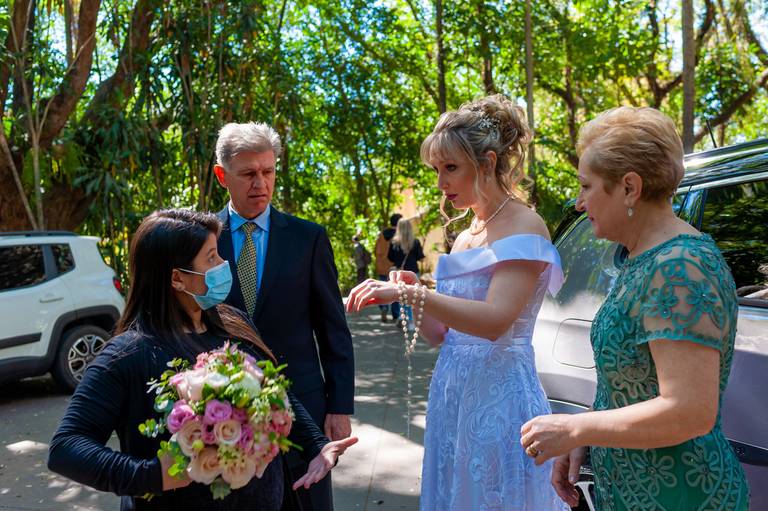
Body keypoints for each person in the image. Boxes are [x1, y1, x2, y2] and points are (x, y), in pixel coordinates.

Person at [47, 209, 357, 510]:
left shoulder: (233, 321)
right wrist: (153, 475)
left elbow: (275, 391)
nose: (224, 265)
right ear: (177, 278)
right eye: (212, 258)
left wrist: (317, 443)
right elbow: (66, 448)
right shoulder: (127, 355)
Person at [520, 107, 750, 510]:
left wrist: (576, 428)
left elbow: (690, 410)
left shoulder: (680, 268)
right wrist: (588, 440)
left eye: (586, 186)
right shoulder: (642, 257)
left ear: (629, 188)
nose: (578, 202)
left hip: (681, 496)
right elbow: (632, 383)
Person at [347, 94, 568, 510]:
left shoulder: (525, 223)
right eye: (436, 169)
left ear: (485, 163)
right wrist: (417, 295)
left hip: (500, 399)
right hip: (453, 396)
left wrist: (413, 293)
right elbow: (439, 336)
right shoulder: (465, 236)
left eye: (450, 168)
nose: (440, 182)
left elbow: (494, 322)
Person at [212, 122, 354, 511]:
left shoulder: (308, 238)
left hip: (303, 409)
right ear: (222, 176)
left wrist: (339, 406)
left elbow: (333, 330)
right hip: (223, 413)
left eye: (268, 172)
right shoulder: (200, 238)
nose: (261, 183)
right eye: (248, 174)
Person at [374, 214, 401, 322]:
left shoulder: (382, 234)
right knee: (396, 290)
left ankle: (384, 307)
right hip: (394, 266)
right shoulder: (400, 235)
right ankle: (395, 314)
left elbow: (376, 250)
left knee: (381, 289)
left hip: (382, 265)